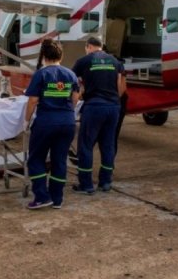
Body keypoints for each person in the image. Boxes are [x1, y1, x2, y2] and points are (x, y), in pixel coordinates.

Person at [24, 39, 79, 209]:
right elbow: (76, 97)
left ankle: (41, 196)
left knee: (35, 159)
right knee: (59, 160)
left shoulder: (41, 74)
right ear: (60, 55)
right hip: (68, 123)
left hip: (46, 122)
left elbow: (33, 100)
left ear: (44, 56)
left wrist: (27, 120)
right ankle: (57, 198)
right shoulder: (71, 74)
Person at [71, 37, 124, 194]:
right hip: (114, 107)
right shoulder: (115, 61)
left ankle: (86, 184)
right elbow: (120, 85)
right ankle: (106, 181)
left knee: (86, 145)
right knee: (108, 145)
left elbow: (71, 81)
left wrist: (77, 97)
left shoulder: (84, 61)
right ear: (101, 47)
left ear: (88, 47)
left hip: (94, 107)